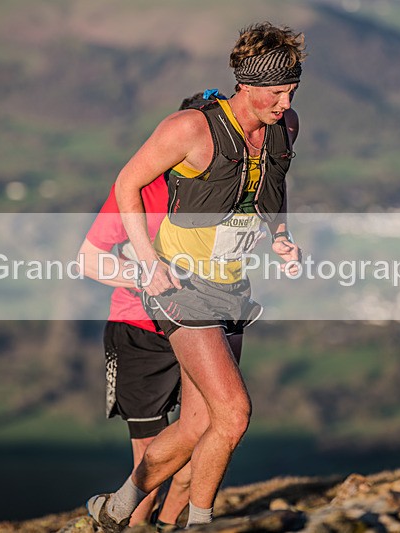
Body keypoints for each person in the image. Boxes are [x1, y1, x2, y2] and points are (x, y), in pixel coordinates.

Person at [85, 22, 305, 531]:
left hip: (232, 288)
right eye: (276, 91)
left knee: (200, 423)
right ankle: (199, 524)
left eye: (292, 89)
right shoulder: (190, 128)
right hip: (182, 289)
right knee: (235, 413)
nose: (285, 100)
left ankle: (117, 507)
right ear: (246, 85)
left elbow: (272, 184)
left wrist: (280, 237)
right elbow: (127, 183)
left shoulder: (285, 125)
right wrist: (147, 260)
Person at [78, 93, 230, 529]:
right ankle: (130, 524)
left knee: (203, 433)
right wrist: (148, 276)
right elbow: (88, 259)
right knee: (149, 455)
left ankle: (167, 524)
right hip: (138, 328)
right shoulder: (142, 188)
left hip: (198, 322)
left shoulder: (222, 189)